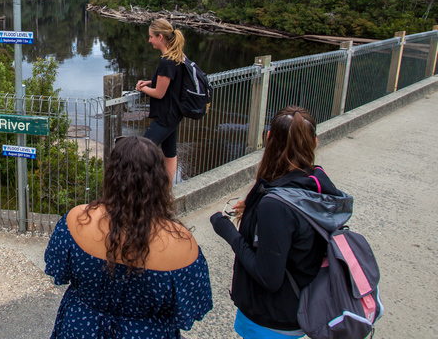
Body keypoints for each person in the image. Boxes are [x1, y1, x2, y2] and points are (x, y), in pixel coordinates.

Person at [44, 136, 213, 338]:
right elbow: (195, 304)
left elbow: (58, 268)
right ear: (160, 180)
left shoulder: (76, 220)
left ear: (111, 176)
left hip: (81, 326)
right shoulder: (183, 244)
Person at [209, 106, 351, 338]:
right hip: (297, 305)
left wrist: (227, 231)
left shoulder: (276, 206)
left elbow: (269, 277)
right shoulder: (316, 184)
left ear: (268, 139)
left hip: (271, 320)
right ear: (314, 142)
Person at [135, 18, 187, 181]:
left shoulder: (167, 61)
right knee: (170, 153)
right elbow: (171, 82)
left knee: (140, 153)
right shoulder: (178, 56)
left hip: (165, 117)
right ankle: (166, 192)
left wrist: (142, 88)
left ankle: (146, 191)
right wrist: (150, 82)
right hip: (174, 115)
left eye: (151, 36)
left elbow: (159, 93)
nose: (149, 40)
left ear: (160, 37)